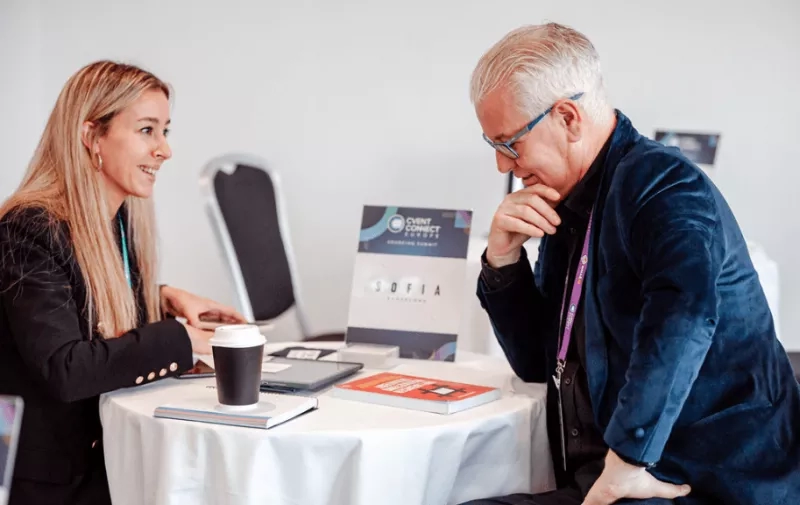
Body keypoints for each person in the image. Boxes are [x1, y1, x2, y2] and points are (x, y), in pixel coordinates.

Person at [463, 23, 800, 505]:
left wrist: (627, 461)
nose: (502, 166)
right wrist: (502, 260)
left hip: (697, 480)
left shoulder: (664, 187)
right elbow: (539, 363)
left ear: (567, 117)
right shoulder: (570, 200)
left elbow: (683, 317)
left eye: (508, 143)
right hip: (614, 475)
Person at [0, 60, 246, 505]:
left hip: (105, 459)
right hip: (48, 482)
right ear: (92, 136)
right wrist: (182, 340)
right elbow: (67, 368)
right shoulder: (29, 227)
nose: (165, 150)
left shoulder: (117, 221)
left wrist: (161, 296)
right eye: (147, 130)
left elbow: (75, 296)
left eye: (165, 131)